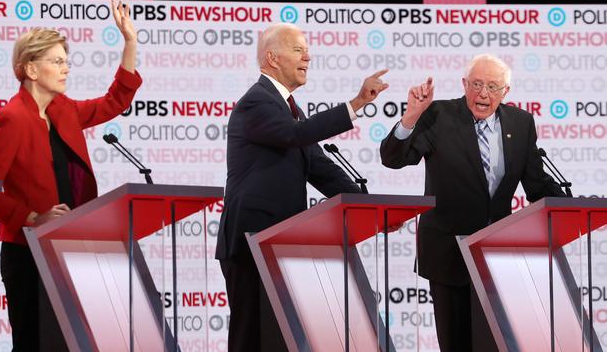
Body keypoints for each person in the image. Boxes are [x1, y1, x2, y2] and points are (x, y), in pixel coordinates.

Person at [0, 0, 141, 351]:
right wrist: (33, 217)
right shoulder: (11, 118)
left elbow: (114, 101)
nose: (66, 69)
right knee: (34, 342)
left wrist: (129, 43)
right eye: (57, 61)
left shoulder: (63, 109)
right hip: (28, 252)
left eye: (66, 61)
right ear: (30, 70)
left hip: (71, 246)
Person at [215, 22, 389, 352]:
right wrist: (355, 104)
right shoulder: (256, 102)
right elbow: (296, 136)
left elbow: (320, 169)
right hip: (251, 242)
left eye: (307, 50)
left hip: (283, 245)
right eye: (298, 50)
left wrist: (370, 207)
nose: (307, 56)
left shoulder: (289, 109)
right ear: (272, 57)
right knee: (250, 338)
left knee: (283, 340)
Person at [379, 54, 564, 352]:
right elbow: (393, 159)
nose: (483, 94)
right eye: (476, 84)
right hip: (448, 254)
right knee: (457, 345)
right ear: (464, 84)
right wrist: (411, 116)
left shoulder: (521, 122)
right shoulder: (439, 114)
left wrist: (569, 207)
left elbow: (536, 183)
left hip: (497, 256)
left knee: (496, 343)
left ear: (506, 92)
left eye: (493, 86)